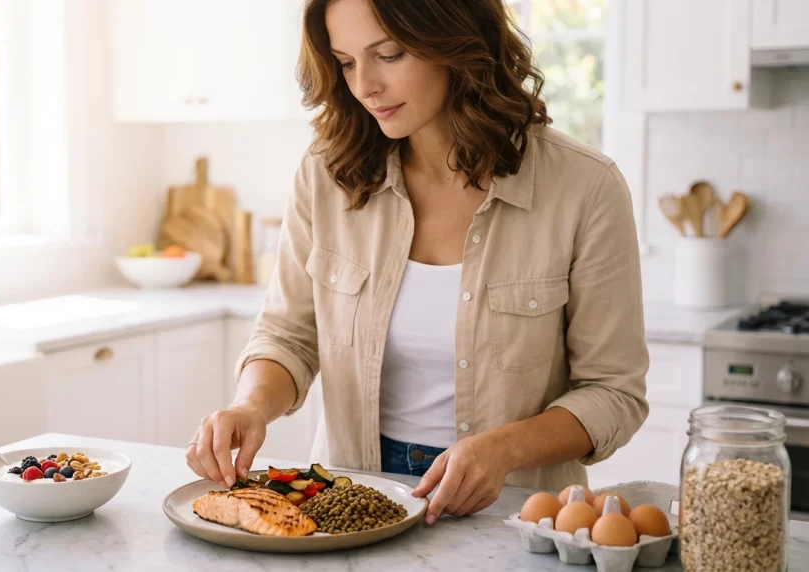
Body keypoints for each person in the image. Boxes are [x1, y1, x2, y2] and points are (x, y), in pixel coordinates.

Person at [185, 0, 648, 526]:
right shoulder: (326, 174)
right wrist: (251, 406)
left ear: (457, 42)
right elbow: (288, 336)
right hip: (349, 503)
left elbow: (614, 392)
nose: (365, 86)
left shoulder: (584, 187)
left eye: (388, 54)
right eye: (347, 62)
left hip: (515, 514)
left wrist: (503, 449)